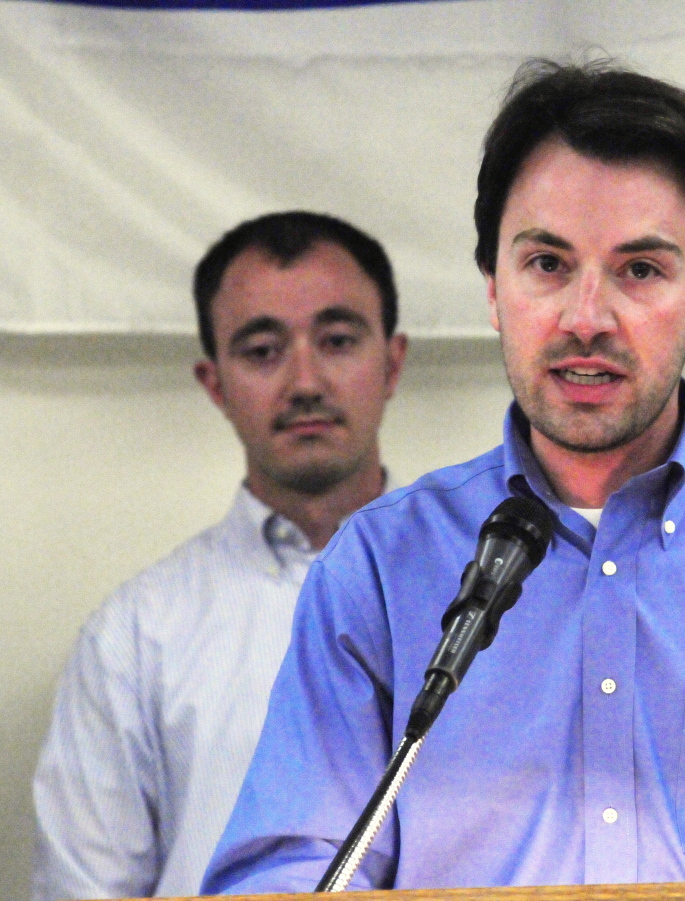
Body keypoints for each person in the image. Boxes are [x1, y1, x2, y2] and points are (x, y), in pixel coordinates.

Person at [202, 62, 685, 893]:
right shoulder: (378, 569)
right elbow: (285, 878)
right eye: (548, 264)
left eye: (640, 270)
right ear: (494, 287)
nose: (586, 318)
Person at [31, 211, 408, 900]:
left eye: (338, 339)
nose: (305, 380)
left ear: (392, 360)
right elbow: (83, 889)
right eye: (262, 349)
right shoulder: (136, 637)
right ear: (215, 384)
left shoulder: (503, 596)